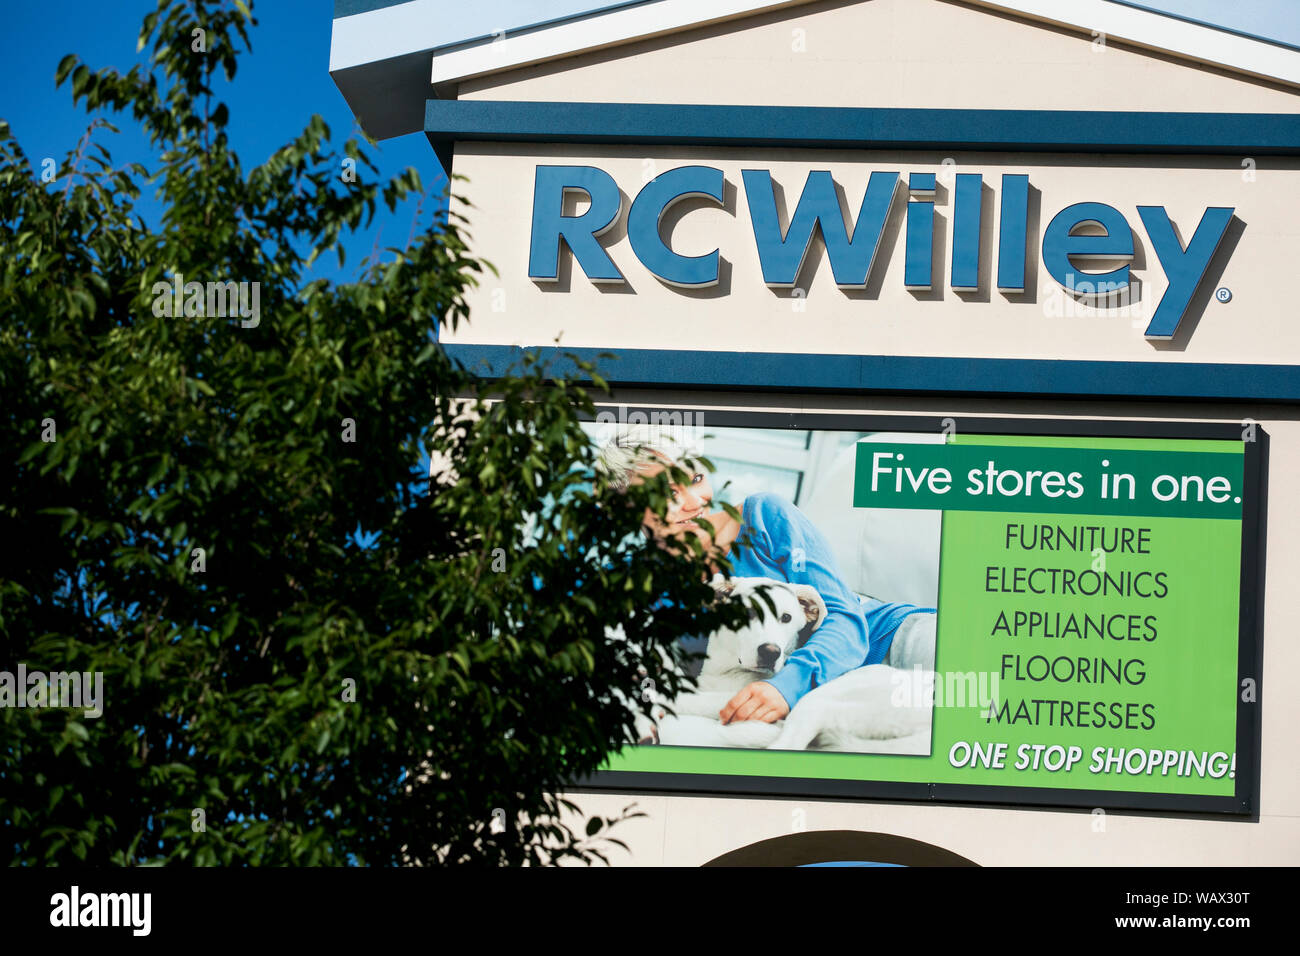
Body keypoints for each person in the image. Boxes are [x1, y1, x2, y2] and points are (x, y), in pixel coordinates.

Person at [596, 424, 934, 727]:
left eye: (697, 479)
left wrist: (786, 687)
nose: (694, 502)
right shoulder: (638, 585)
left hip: (891, 640)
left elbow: (844, 616)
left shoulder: (765, 517)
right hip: (842, 695)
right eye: (668, 494)